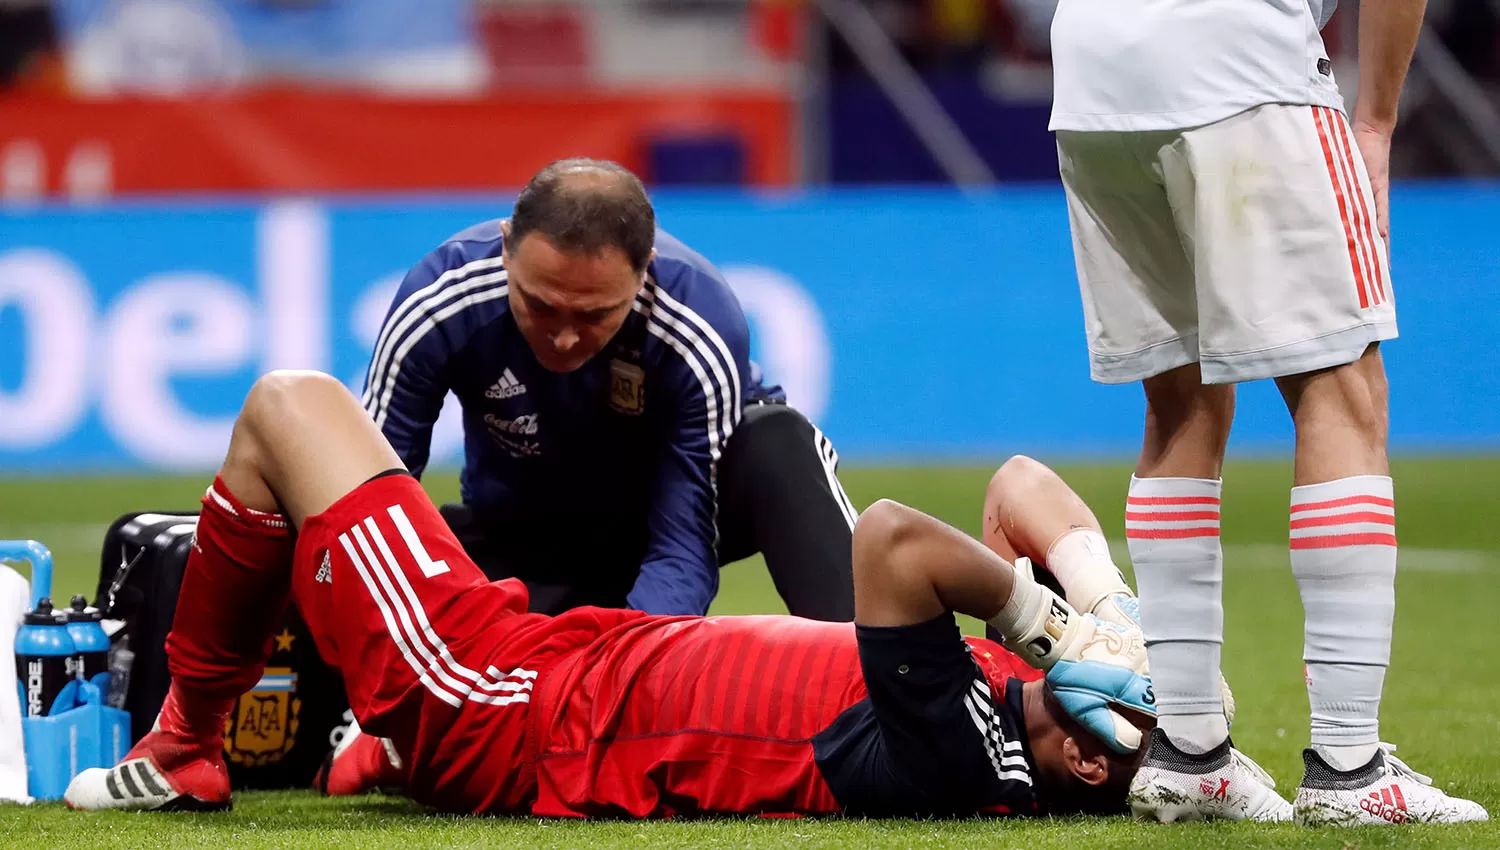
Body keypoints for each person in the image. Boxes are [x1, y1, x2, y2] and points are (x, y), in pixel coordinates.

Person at [66, 371, 1167, 818]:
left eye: (1135, 694)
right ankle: (365, 747)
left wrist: (1052, 621)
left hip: (509, 706)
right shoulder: (1010, 692)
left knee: (286, 407)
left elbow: (890, 541)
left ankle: (181, 749)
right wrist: (1103, 604)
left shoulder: (970, 752)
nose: (1131, 669)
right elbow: (1020, 485)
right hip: (549, 660)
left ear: (1082, 754)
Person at [1048, 0, 1488, 825]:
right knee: (1341, 388)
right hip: (1239, 61)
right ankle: (1350, 768)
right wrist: (1378, 122)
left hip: (1091, 72)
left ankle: (1188, 756)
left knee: (1180, 400)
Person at [363, 158, 857, 621]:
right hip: (521, 534)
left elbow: (684, 541)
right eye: (540, 305)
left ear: (645, 272)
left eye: (595, 314)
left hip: (659, 525)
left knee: (777, 440)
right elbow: (368, 504)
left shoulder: (696, 323)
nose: (564, 338)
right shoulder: (439, 302)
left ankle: (872, 683)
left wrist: (622, 666)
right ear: (507, 248)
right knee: (332, 520)